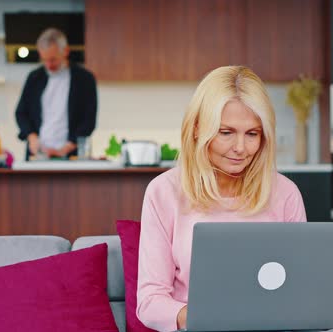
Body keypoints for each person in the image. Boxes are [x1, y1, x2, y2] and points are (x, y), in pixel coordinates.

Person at [136, 66, 307, 331]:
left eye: (252, 134)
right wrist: (199, 317)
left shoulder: (285, 194)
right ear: (196, 129)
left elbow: (300, 291)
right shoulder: (163, 191)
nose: (240, 148)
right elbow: (150, 301)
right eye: (226, 132)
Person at [15, 27, 97, 160]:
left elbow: (89, 119)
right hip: (38, 154)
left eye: (52, 59)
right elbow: (21, 113)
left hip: (72, 155)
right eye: (44, 60)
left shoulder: (85, 79)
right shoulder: (34, 78)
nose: (48, 65)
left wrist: (67, 147)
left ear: (65, 51)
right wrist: (32, 137)